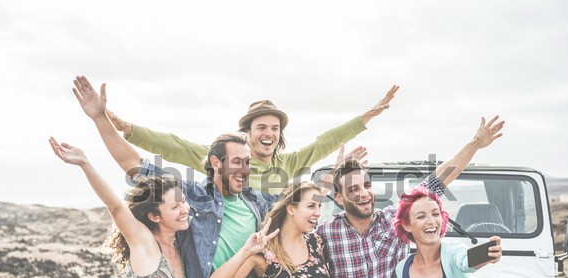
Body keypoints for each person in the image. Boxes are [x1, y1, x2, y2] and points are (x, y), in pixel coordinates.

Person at [72, 75, 277, 278]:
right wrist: (99, 118)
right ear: (216, 163)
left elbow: (299, 209)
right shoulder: (191, 196)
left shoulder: (258, 203)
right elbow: (135, 166)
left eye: (248, 163)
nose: (245, 170)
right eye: (238, 162)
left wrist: (335, 181)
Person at [316, 115, 506, 278]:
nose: (363, 194)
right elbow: (292, 218)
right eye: (353, 189)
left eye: (366, 185)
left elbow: (439, 180)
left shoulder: (395, 220)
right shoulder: (325, 234)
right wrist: (329, 177)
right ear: (339, 198)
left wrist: (475, 143)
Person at [106, 86, 399, 194]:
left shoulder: (290, 163)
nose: (268, 133)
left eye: (274, 128)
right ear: (248, 132)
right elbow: (175, 146)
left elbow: (325, 141)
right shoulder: (227, 159)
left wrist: (366, 117)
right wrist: (127, 128)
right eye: (261, 127)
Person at [48, 137, 188, 278]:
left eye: (183, 202)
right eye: (175, 206)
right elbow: (115, 206)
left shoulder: (180, 247)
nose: (184, 209)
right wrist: (85, 163)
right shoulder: (146, 243)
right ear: (154, 216)